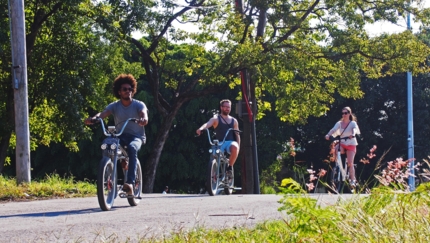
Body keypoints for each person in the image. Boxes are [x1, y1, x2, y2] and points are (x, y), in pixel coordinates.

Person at [84, 74, 148, 195]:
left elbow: (143, 113)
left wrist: (143, 119)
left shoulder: (138, 104)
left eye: (130, 89)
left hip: (136, 137)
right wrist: (94, 118)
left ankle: (130, 183)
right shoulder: (114, 105)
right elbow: (103, 114)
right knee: (107, 144)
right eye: (125, 89)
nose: (128, 91)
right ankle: (109, 174)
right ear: (119, 92)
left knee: (132, 148)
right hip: (120, 135)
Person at [196, 99, 240, 179]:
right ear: (221, 107)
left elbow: (237, 134)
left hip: (230, 143)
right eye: (225, 107)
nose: (227, 109)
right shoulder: (216, 118)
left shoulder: (234, 121)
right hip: (220, 143)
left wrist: (238, 146)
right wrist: (201, 129)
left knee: (235, 147)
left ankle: (229, 167)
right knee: (214, 155)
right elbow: (207, 124)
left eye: (229, 107)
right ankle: (213, 176)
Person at [325, 106, 360, 187]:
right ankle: (338, 166)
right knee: (337, 149)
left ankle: (352, 180)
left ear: (349, 114)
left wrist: (353, 134)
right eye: (343, 113)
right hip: (342, 143)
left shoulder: (352, 123)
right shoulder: (339, 123)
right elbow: (333, 129)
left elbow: (354, 129)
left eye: (346, 113)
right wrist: (328, 135)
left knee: (350, 163)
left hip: (351, 144)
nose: (344, 115)